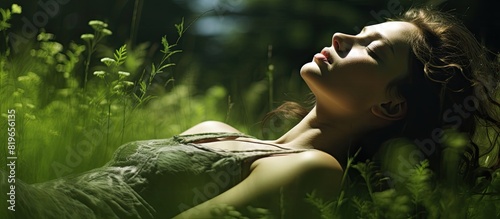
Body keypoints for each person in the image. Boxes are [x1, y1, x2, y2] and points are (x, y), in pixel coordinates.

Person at [2, 6, 499, 219]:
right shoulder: (214, 130)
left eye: (372, 49)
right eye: (357, 31)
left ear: (390, 104)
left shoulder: (314, 171)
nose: (341, 39)